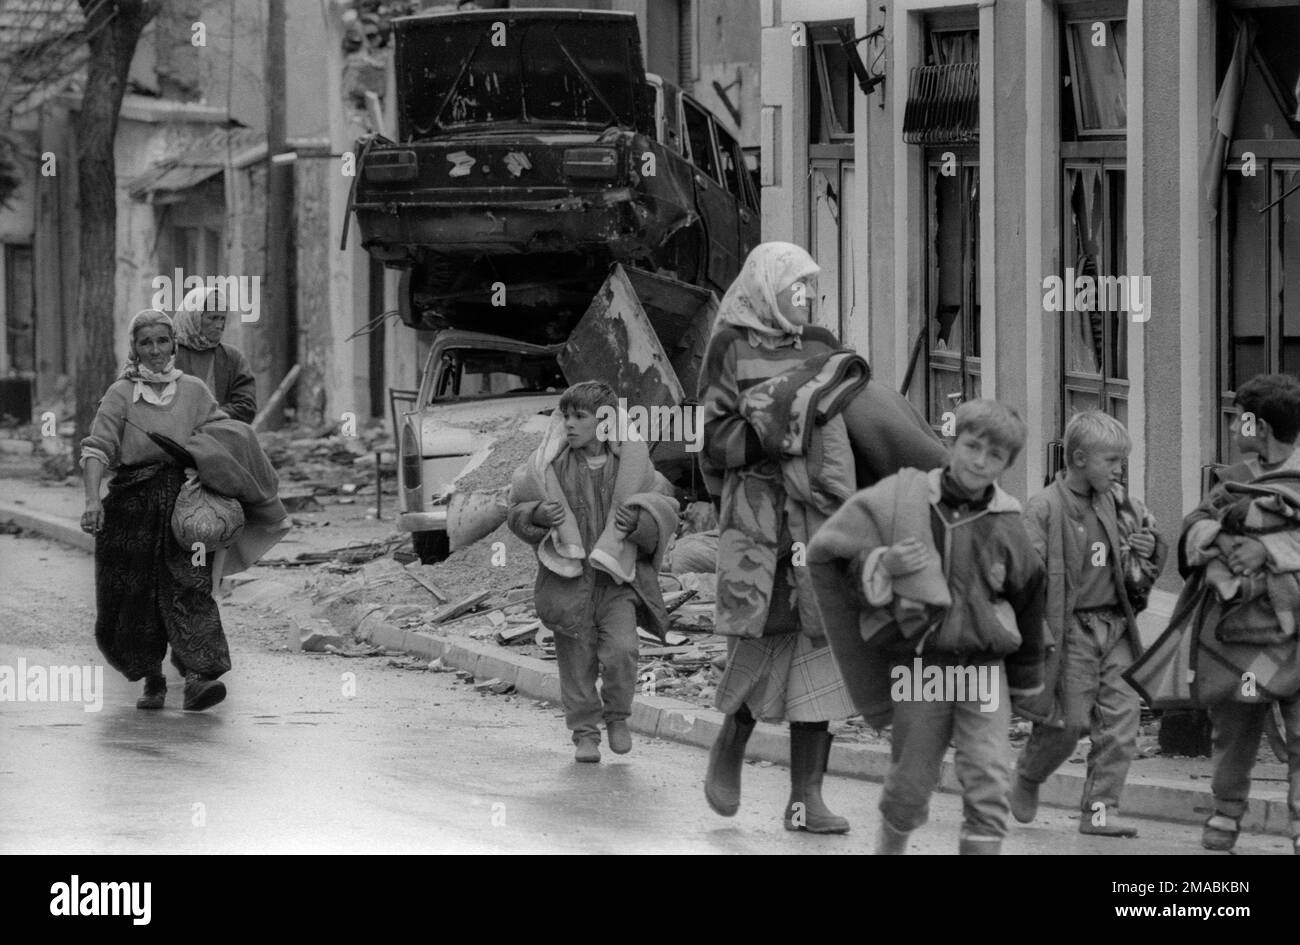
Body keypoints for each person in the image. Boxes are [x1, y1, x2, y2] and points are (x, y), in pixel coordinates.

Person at [697, 242, 947, 835]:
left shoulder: (822, 343)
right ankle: (730, 744)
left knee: (823, 650)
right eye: (796, 286)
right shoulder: (729, 344)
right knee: (760, 636)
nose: (806, 297)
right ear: (766, 288)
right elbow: (713, 440)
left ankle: (806, 797)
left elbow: (851, 416)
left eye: (811, 286)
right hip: (760, 520)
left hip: (820, 517)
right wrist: (781, 424)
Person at [809, 399, 1046, 854]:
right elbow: (835, 560)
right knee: (910, 783)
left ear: (1006, 464)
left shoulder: (1008, 524)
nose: (979, 461)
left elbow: (1030, 599)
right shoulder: (902, 498)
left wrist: (1028, 683)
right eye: (972, 446)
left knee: (989, 777)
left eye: (994, 456)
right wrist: (883, 562)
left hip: (983, 667)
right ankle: (890, 845)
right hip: (922, 668)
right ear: (952, 443)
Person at [1144, 374, 1300, 853]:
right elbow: (1194, 526)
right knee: (1233, 734)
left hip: (1294, 637)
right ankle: (1225, 816)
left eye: (1240, 419)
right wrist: (1224, 540)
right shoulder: (1234, 478)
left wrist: (1268, 552)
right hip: (1236, 635)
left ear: (1259, 426)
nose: (1233, 427)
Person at [1009, 411, 1166, 838]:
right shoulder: (1043, 508)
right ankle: (1027, 775)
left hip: (1116, 627)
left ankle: (1099, 811)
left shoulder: (1120, 503)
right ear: (1079, 458)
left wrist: (1150, 547)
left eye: (1121, 462)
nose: (1119, 470)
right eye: (1111, 461)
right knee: (1069, 722)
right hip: (1070, 629)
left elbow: (1154, 543)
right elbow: (1024, 577)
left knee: (1122, 721)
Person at [506, 381, 679, 763]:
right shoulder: (548, 470)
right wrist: (535, 515)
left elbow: (666, 509)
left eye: (579, 417)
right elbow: (515, 511)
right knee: (576, 663)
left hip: (617, 582)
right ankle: (585, 733)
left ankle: (618, 717)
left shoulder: (633, 468)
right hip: (568, 583)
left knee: (623, 652)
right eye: (565, 416)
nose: (568, 424)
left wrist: (638, 524)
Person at [80, 310, 232, 711]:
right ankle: (152, 677)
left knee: (191, 584)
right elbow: (97, 448)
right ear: (134, 348)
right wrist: (93, 500)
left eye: (162, 341)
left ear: (174, 345)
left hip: (185, 503)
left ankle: (200, 676)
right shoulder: (120, 394)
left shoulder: (196, 391)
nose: (155, 350)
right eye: (145, 342)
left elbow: (222, 437)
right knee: (135, 593)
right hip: (132, 502)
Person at [172, 286, 257, 423]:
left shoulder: (232, 358)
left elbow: (246, 407)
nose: (219, 325)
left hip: (221, 434)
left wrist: (210, 417)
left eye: (222, 318)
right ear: (193, 316)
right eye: (212, 318)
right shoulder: (168, 355)